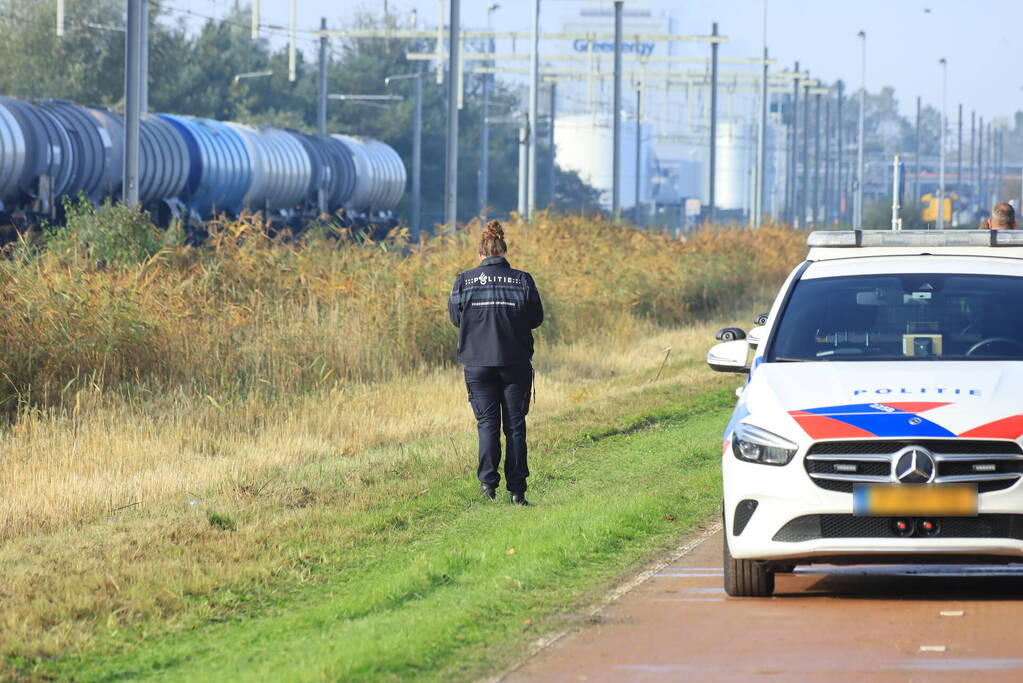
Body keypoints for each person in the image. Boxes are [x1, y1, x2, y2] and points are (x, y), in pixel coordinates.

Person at [448, 220, 544, 505]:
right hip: (515, 363)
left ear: (481, 255)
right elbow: (536, 319)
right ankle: (517, 491)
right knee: (515, 426)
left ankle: (487, 486)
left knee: (487, 424)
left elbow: (456, 319)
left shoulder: (463, 281)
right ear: (504, 251)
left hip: (477, 364)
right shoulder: (522, 280)